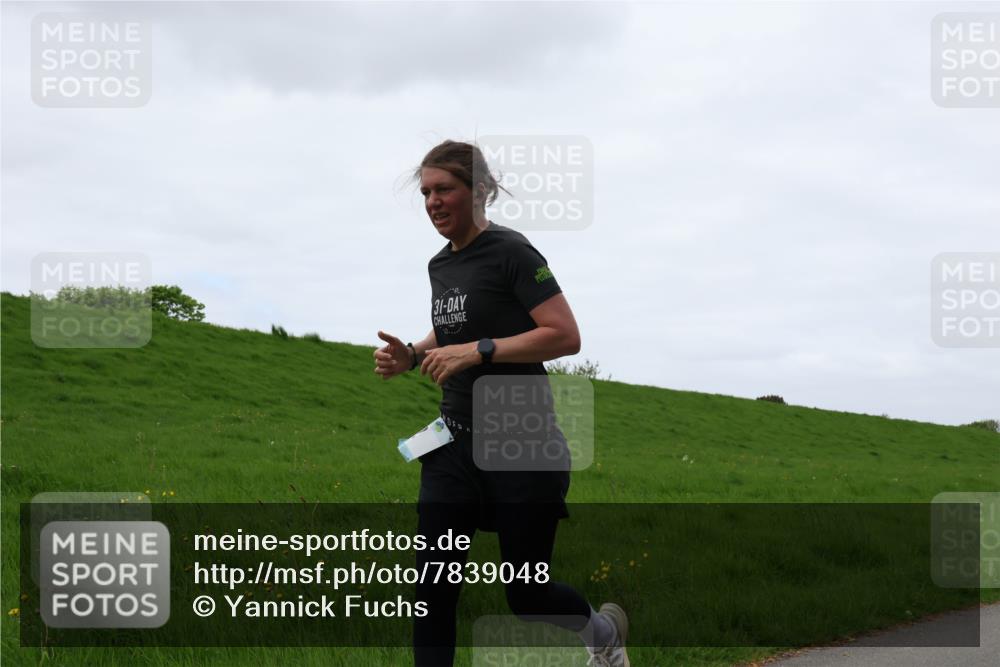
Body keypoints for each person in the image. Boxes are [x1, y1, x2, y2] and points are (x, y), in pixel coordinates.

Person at [374, 140, 629, 667]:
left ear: (480, 190)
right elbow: (461, 323)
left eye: (444, 189)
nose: (433, 202)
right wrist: (415, 352)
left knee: (527, 595)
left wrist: (479, 351)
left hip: (522, 443)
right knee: (433, 588)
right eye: (425, 192)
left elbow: (564, 335)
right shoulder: (439, 265)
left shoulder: (513, 252)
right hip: (452, 442)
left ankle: (602, 634)